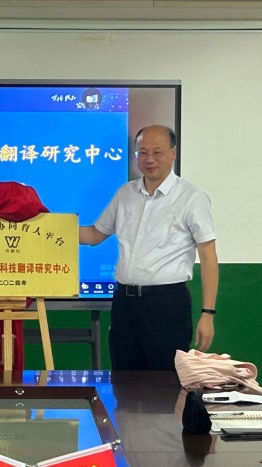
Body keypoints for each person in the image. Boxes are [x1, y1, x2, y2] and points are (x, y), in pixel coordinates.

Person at [79, 125, 218, 370]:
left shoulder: (192, 197)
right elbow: (93, 235)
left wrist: (208, 314)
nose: (149, 159)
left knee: (165, 384)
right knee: (124, 381)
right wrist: (48, 228)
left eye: (157, 152)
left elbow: (208, 256)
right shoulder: (125, 194)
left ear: (173, 153)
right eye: (142, 152)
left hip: (167, 305)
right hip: (124, 305)